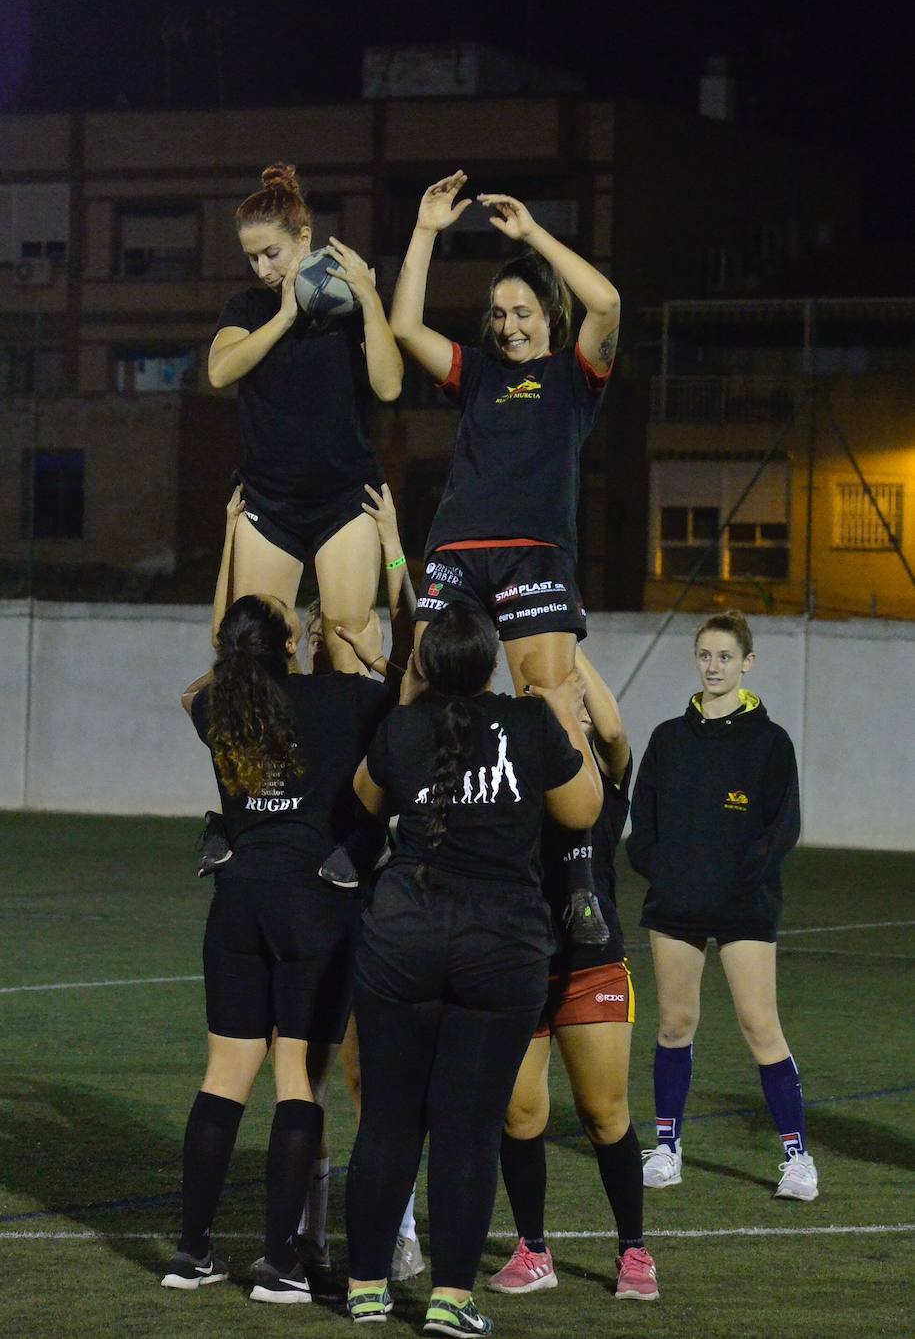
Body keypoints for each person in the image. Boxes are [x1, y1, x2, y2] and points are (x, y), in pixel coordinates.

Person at [342, 603, 603, 1335]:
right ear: (491, 663)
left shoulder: (403, 727)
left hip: (405, 936)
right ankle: (450, 1301)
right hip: (501, 944)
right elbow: (582, 810)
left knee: (389, 1123)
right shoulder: (526, 725)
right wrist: (560, 711)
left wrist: (402, 708)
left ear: (425, 666)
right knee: (467, 1130)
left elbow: (365, 801)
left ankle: (366, 1289)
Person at [390, 170, 620, 942]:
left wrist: (531, 240)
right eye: (497, 314)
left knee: (547, 698)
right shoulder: (479, 373)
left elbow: (608, 303)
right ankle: (405, 837)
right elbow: (403, 329)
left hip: (533, 558)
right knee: (420, 678)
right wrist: (424, 230)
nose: (509, 324)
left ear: (546, 313)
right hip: (455, 550)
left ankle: (579, 874)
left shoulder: (574, 376)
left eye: (521, 311)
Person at [161, 591, 390, 1302]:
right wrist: (364, 646)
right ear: (291, 645)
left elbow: (188, 693)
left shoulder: (220, 708)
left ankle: (191, 1253)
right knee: (296, 1078)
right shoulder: (343, 700)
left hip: (236, 901)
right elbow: (402, 692)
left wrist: (239, 651)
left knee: (223, 1076)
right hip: (312, 904)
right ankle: (281, 1264)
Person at [626, 610, 814, 1201]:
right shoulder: (668, 738)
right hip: (677, 905)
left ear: (747, 663)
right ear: (696, 659)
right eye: (706, 655)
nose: (714, 666)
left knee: (762, 1028)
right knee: (676, 1025)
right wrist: (668, 872)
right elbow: (644, 821)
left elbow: (784, 828)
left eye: (726, 657)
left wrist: (738, 880)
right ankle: (667, 1148)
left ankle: (797, 1158)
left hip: (744, 907)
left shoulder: (770, 741)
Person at [488, 649, 659, 1302]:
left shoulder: (604, 773)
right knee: (520, 1114)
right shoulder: (516, 768)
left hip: (591, 968)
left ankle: (633, 1252)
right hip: (522, 961)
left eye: (576, 703)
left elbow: (613, 731)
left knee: (602, 1113)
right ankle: (533, 1250)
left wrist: (564, 641)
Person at [208, 162, 403, 675]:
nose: (262, 269)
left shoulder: (348, 310)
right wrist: (284, 317)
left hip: (344, 497)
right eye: (251, 258)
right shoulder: (248, 309)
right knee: (256, 650)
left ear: (305, 238)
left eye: (272, 253)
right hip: (270, 501)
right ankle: (285, 752)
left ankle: (349, 749)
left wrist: (369, 299)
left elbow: (389, 385)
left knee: (344, 640)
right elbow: (220, 371)